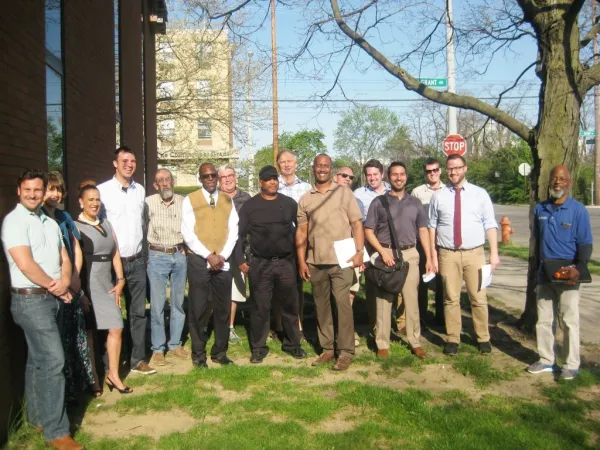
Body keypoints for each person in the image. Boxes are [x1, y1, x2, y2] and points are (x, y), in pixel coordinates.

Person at [1, 169, 83, 450]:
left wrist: (64, 281)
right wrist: (54, 285)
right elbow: (24, 263)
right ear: (19, 190)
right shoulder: (14, 221)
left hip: (52, 297)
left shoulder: (48, 221)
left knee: (38, 361)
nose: (34, 194)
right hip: (30, 300)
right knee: (53, 361)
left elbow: (64, 256)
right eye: (28, 190)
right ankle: (56, 432)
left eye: (38, 190)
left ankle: (37, 417)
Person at [297, 154, 365, 371]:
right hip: (316, 261)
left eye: (326, 166)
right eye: (319, 166)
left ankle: (345, 352)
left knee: (342, 304)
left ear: (331, 169)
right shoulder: (306, 198)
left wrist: (359, 251)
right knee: (322, 307)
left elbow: (356, 223)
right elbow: (301, 232)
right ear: (313, 168)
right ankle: (327, 348)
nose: (322, 169)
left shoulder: (344, 193)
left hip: (342, 260)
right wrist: (301, 261)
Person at [428, 154, 500, 356]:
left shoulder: (480, 194)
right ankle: (453, 338)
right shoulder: (439, 196)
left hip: (474, 254)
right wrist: (433, 255)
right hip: (447, 254)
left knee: (478, 297)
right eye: (450, 169)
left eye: (457, 168)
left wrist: (494, 253)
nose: (453, 172)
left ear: (465, 168)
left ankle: (483, 338)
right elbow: (432, 226)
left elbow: (491, 224)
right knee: (450, 298)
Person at [527, 165, 593, 381]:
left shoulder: (578, 210)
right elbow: (536, 242)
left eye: (562, 179)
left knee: (569, 321)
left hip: (569, 274)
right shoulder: (540, 209)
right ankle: (546, 360)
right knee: (544, 319)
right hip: (545, 274)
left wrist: (578, 268)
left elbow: (585, 244)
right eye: (554, 178)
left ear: (569, 183)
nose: (558, 182)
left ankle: (571, 365)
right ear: (550, 182)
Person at [237, 165, 307, 363]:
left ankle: (293, 344)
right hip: (260, 264)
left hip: (286, 263)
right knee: (260, 308)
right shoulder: (251, 206)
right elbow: (240, 235)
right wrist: (241, 260)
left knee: (290, 306)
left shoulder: (289, 203)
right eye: (268, 179)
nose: (272, 182)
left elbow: (301, 231)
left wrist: (300, 258)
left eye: (275, 179)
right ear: (260, 182)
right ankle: (258, 348)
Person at [364, 162, 433, 359]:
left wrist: (428, 257)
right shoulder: (379, 202)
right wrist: (381, 252)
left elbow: (422, 230)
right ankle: (382, 343)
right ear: (388, 177)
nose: (398, 178)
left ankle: (415, 341)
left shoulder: (415, 203)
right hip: (385, 254)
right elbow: (368, 230)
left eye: (402, 174)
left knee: (411, 300)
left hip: (410, 255)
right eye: (394, 175)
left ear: (406, 176)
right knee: (384, 301)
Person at [97, 146, 155, 374]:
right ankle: (109, 363)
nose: (129, 164)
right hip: (112, 263)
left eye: (132, 161)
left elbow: (142, 223)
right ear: (115, 163)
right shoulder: (103, 191)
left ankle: (137, 359)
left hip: (137, 261)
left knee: (138, 312)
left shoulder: (139, 191)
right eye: (124, 160)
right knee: (110, 314)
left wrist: (144, 255)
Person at [42, 172, 96, 400]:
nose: (55, 194)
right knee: (58, 342)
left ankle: (79, 387)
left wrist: (75, 279)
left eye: (58, 190)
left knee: (77, 336)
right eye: (50, 189)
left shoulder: (64, 217)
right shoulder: (39, 218)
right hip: (51, 287)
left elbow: (75, 249)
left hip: (71, 283)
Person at [76, 181, 132, 395]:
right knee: (91, 333)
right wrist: (80, 292)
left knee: (116, 327)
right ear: (81, 202)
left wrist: (120, 280)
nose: (95, 203)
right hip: (89, 286)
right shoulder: (76, 227)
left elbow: (115, 253)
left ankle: (113, 374)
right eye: (90, 200)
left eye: (97, 199)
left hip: (107, 285)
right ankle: (94, 381)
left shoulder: (107, 224)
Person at [182, 162, 239, 368]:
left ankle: (220, 352)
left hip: (222, 260)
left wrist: (222, 255)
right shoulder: (191, 200)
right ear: (200, 178)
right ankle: (198, 355)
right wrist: (208, 255)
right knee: (198, 308)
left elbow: (234, 229)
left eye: (213, 175)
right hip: (199, 261)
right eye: (206, 176)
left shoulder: (226, 200)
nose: (211, 179)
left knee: (223, 309)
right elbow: (188, 233)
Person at [145, 168, 188, 367]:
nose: (164, 183)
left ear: (173, 181)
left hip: (179, 255)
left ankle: (175, 343)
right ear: (156, 185)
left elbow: (191, 226)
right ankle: (158, 348)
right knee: (157, 305)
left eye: (167, 179)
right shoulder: (148, 202)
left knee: (178, 303)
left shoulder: (183, 201)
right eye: (160, 180)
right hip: (157, 255)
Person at [277, 150, 312, 340]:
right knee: (279, 285)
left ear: (296, 164)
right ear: (278, 165)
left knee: (297, 285)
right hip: (279, 242)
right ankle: (279, 325)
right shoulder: (273, 186)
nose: (287, 165)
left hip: (300, 242)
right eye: (283, 162)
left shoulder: (306, 188)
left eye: (290, 161)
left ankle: (298, 324)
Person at [354, 159, 390, 332]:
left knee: (394, 281)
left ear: (382, 174)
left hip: (391, 244)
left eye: (375, 174)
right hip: (368, 244)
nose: (372, 178)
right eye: (369, 175)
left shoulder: (393, 191)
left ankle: (398, 323)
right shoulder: (358, 194)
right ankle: (374, 322)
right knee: (372, 284)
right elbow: (356, 223)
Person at [218, 165, 252, 344]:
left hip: (240, 251)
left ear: (235, 176)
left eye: (230, 175)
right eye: (223, 177)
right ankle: (216, 325)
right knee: (217, 290)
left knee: (236, 291)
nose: (227, 179)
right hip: (218, 252)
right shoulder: (213, 198)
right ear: (218, 180)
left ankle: (230, 328)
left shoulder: (246, 198)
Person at [411, 157, 445, 326]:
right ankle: (421, 316)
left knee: (443, 281)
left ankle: (441, 316)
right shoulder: (418, 192)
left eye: (435, 170)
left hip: (443, 243)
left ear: (440, 171)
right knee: (423, 279)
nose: (432, 174)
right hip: (423, 242)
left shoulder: (449, 190)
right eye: (429, 171)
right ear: (425, 173)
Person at [335, 166, 362, 347]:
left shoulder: (355, 199)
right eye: (344, 176)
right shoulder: (325, 197)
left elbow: (359, 227)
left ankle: (346, 332)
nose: (347, 179)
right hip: (329, 252)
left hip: (350, 251)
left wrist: (361, 255)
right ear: (336, 176)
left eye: (351, 178)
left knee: (351, 293)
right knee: (334, 295)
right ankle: (334, 331)